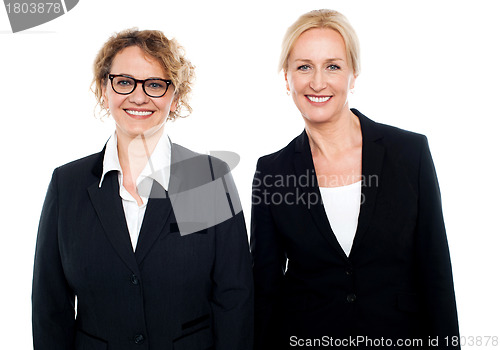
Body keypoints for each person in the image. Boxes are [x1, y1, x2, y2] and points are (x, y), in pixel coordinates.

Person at [32, 28, 253, 350]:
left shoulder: (205, 178)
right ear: (103, 89)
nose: (138, 97)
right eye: (124, 82)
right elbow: (50, 304)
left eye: (154, 85)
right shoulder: (69, 184)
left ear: (175, 97)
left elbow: (234, 297)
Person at [251, 9, 459, 349]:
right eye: (304, 66)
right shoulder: (272, 171)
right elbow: (265, 288)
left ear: (353, 74)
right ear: (287, 77)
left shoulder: (409, 153)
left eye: (333, 66)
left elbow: (436, 274)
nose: (318, 82)